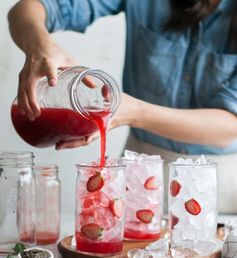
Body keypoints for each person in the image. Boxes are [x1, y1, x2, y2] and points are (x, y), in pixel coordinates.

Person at [8, 0, 237, 213]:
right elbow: (27, 9)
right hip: (138, 173)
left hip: (220, 186)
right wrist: (41, 48)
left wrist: (135, 112)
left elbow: (230, 125)